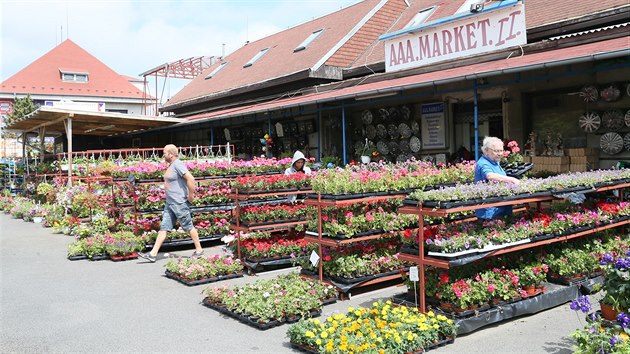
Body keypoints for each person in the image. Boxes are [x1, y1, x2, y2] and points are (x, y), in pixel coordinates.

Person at [138, 144, 204, 262]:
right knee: (164, 227)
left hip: (179, 202)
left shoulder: (178, 164)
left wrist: (190, 195)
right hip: (170, 203)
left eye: (164, 153)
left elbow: (191, 178)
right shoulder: (171, 165)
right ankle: (153, 254)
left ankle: (199, 250)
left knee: (188, 226)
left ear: (171, 154)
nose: (163, 155)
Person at [474, 137, 521, 220]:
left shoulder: (495, 162)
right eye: (496, 151)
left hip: (502, 207)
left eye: (501, 150)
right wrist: (512, 179)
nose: (499, 154)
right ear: (486, 151)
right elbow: (490, 176)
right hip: (490, 211)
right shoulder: (483, 163)